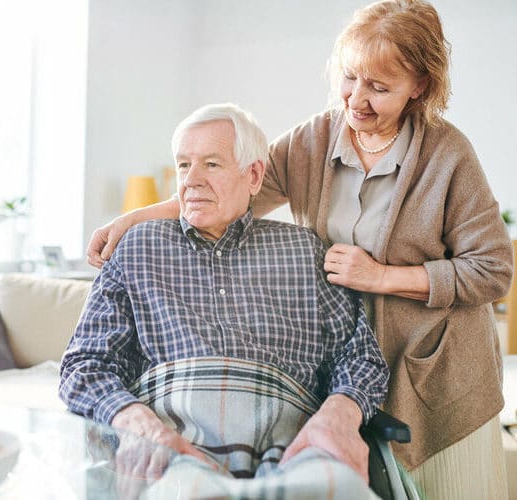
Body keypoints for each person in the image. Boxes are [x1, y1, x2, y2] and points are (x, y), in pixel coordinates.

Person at [85, 1, 514, 498]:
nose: (356, 99)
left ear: (419, 85)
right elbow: (230, 188)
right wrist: (132, 220)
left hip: (437, 366)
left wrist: (383, 276)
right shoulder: (314, 139)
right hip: (357, 363)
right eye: (350, 78)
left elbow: (494, 269)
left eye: (379, 87)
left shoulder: (447, 153)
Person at [60, 103, 389, 497]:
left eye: (212, 164)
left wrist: (339, 417)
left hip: (295, 447)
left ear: (253, 175)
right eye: (183, 166)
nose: (191, 181)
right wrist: (139, 427)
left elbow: (361, 358)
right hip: (171, 443)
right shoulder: (137, 248)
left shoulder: (306, 251)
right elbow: (85, 364)